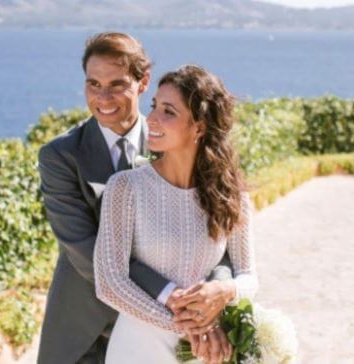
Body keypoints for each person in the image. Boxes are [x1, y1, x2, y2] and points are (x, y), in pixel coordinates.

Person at [37, 33, 236, 364]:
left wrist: (218, 290)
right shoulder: (60, 156)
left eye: (116, 84)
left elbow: (220, 238)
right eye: (93, 84)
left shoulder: (174, 140)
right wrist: (172, 300)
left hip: (163, 333)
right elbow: (84, 248)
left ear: (143, 83)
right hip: (84, 328)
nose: (103, 97)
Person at [93, 64, 259, 364]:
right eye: (154, 106)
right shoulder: (126, 187)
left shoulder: (232, 195)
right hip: (140, 348)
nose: (152, 118)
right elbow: (109, 283)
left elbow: (249, 277)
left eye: (169, 111)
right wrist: (188, 327)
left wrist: (225, 290)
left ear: (199, 126)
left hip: (203, 351)